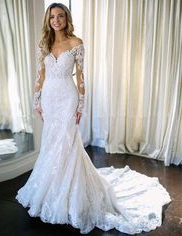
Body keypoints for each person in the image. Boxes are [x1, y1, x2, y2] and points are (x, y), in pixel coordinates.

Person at [15, 3, 171, 234]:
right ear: (48, 21)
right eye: (52, 18)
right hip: (49, 97)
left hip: (67, 97)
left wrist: (80, 105)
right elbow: (41, 75)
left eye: (60, 16)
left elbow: (80, 77)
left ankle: (71, 190)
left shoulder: (76, 43)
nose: (56, 20)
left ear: (66, 18)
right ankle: (51, 188)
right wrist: (36, 100)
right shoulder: (44, 44)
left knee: (67, 141)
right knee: (51, 141)